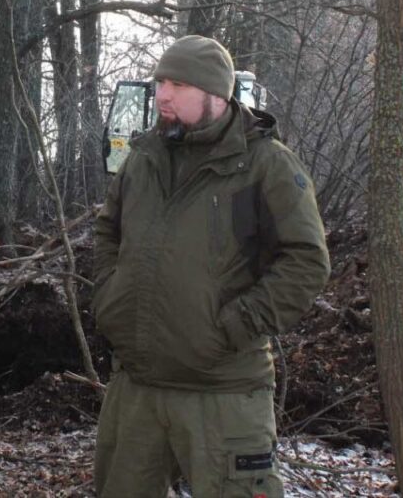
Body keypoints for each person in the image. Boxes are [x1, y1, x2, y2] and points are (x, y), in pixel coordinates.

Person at [92, 35, 330, 498]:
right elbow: (107, 233)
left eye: (177, 85)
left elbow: (305, 260)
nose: (162, 95)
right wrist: (110, 298)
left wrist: (234, 326)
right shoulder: (142, 160)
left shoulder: (265, 166)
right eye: (161, 82)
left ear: (215, 95)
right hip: (138, 388)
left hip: (223, 393)